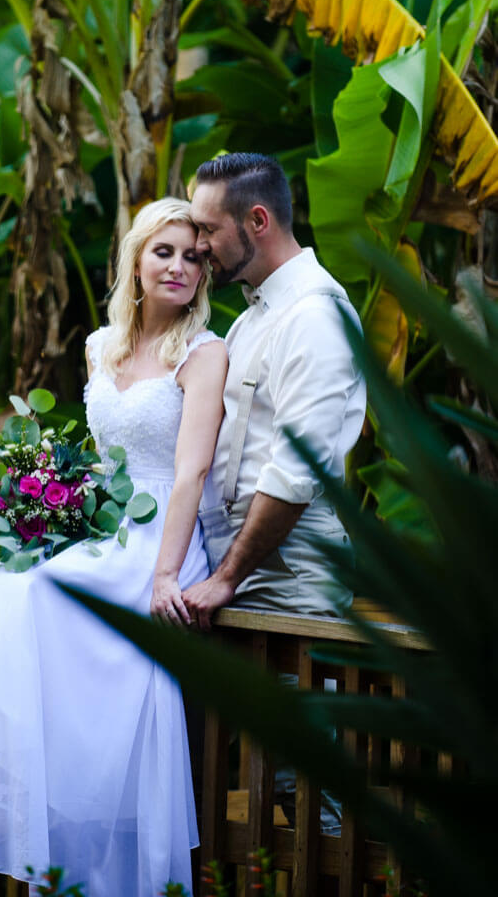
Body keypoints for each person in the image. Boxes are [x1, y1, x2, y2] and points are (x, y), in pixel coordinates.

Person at [0, 198, 228, 897]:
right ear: (136, 262)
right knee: (1, 587)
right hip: (107, 523)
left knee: (39, 596)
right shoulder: (99, 346)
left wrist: (165, 574)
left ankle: (98, 826)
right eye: (164, 252)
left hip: (162, 535)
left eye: (192, 256)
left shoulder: (204, 352)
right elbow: (101, 457)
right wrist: (48, 503)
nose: (178, 267)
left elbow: (189, 471)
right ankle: (47, 810)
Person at [182, 152, 367, 834]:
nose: (197, 246)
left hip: (286, 576)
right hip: (239, 573)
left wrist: (226, 576)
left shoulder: (314, 317)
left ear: (256, 221)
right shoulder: (251, 316)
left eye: (206, 229)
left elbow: (296, 472)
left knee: (306, 778)